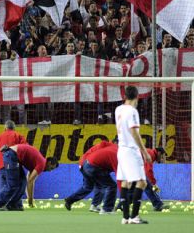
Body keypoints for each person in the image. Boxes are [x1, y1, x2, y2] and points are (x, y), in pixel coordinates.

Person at [116, 86, 152, 224]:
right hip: (131, 150)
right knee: (142, 182)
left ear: (125, 96)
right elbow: (134, 133)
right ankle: (134, 216)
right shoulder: (132, 112)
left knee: (125, 182)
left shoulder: (118, 109)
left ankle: (125, 217)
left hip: (121, 149)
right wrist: (144, 151)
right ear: (137, 96)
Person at [0, 144, 58, 211]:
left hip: (13, 157)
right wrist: (30, 201)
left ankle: (13, 205)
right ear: (49, 162)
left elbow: (29, 180)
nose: (50, 171)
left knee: (22, 182)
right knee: (13, 184)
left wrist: (30, 199)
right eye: (51, 168)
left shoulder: (39, 161)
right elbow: (30, 182)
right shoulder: (42, 164)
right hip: (11, 156)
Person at [64, 142, 118, 214]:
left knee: (89, 187)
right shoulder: (114, 150)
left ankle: (70, 200)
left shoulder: (108, 147)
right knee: (110, 185)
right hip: (91, 165)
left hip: (86, 164)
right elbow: (118, 174)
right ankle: (106, 209)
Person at [116, 148, 168, 212]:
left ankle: (120, 206)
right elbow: (149, 171)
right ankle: (158, 205)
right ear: (159, 153)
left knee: (132, 190)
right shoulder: (150, 154)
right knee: (148, 186)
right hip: (133, 167)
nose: (162, 159)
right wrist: (154, 183)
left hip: (130, 167)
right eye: (162, 156)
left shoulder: (149, 152)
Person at [0, 120, 27, 211]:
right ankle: (14, 204)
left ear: (5, 128)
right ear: (14, 128)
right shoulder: (18, 136)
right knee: (18, 183)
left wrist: (0, 155)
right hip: (14, 165)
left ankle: (4, 204)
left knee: (5, 185)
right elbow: (24, 148)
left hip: (2, 165)